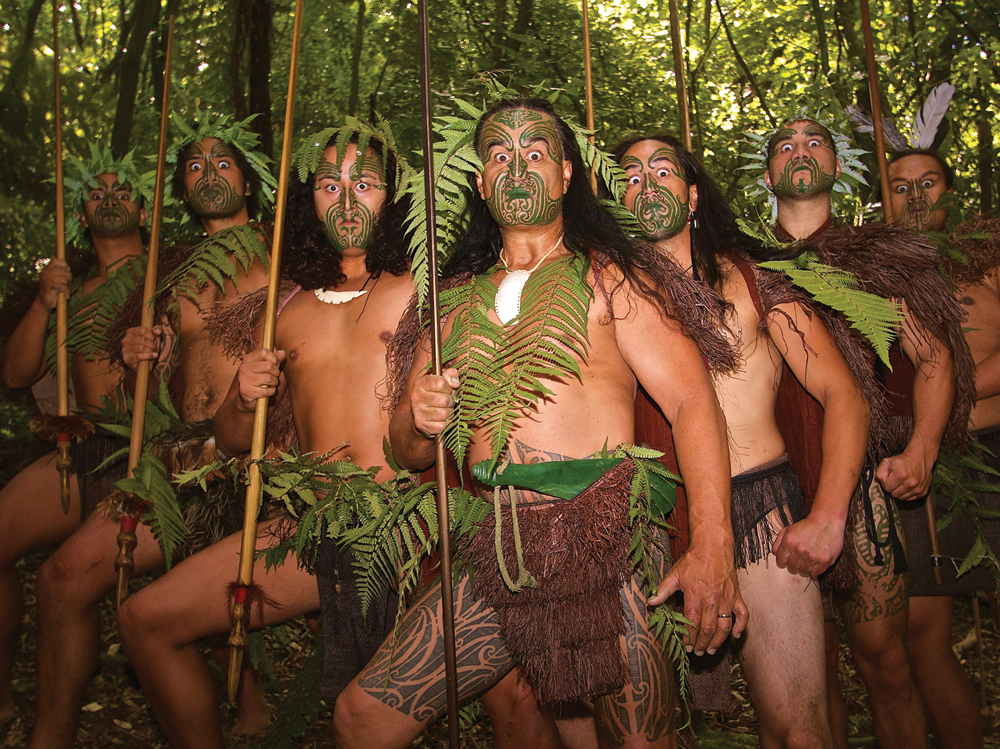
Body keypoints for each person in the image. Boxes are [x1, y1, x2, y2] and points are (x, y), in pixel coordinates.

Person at [333, 97, 747, 749]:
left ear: (564, 175)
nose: (517, 168)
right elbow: (406, 449)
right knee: (361, 718)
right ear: (478, 182)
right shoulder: (449, 304)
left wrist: (714, 544)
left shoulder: (615, 280)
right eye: (500, 155)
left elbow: (694, 402)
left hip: (608, 544)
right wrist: (421, 417)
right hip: (500, 551)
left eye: (535, 154)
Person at [117, 129, 413, 749]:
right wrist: (243, 397)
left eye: (365, 183)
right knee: (143, 620)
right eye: (331, 185)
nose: (348, 200)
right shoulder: (286, 306)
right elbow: (230, 439)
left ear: (394, 194)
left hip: (405, 524)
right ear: (312, 200)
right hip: (308, 526)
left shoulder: (424, 292)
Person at [23, 116, 276, 748]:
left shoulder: (282, 253)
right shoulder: (173, 272)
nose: (209, 173)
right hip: (179, 452)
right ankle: (46, 738)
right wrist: (148, 361)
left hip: (251, 457)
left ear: (249, 178)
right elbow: (152, 396)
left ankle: (252, 709)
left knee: (151, 616)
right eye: (194, 167)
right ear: (179, 193)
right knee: (62, 579)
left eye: (223, 163)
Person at [615, 134, 870, 749]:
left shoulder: (753, 281)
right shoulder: (605, 295)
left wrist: (829, 517)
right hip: (646, 522)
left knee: (798, 728)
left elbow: (845, 394)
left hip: (759, 513)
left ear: (693, 193)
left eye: (664, 171)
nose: (647, 183)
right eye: (629, 174)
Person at [764, 120, 975, 749]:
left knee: (884, 664)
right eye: (784, 146)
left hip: (862, 490)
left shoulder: (876, 256)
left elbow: (933, 359)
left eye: (815, 142)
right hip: (772, 486)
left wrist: (923, 450)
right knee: (809, 671)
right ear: (767, 174)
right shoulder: (741, 259)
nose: (800, 152)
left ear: (840, 163)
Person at [0, 151, 148, 728]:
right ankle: (6, 697)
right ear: (82, 216)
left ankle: (252, 702)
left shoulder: (171, 271)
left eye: (122, 191)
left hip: (151, 447)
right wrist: (42, 301)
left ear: (144, 207)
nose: (109, 198)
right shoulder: (71, 290)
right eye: (95, 193)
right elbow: (15, 376)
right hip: (81, 444)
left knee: (74, 578)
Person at [886, 148, 994, 749]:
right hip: (931, 463)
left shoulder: (987, 257)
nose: (917, 196)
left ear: (950, 191)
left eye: (928, 182)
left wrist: (954, 398)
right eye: (901, 187)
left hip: (986, 448)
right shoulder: (883, 271)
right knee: (922, 632)